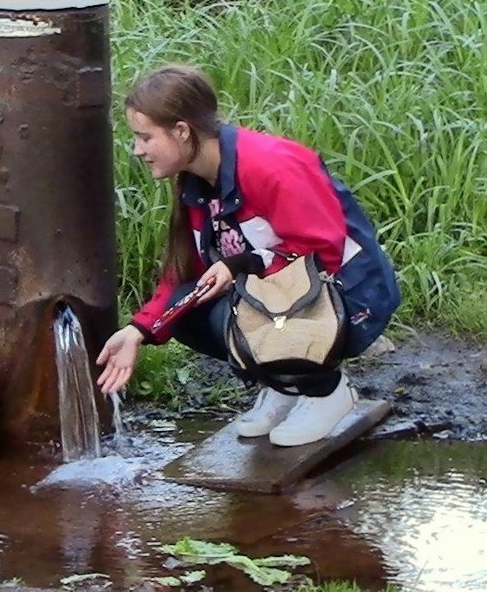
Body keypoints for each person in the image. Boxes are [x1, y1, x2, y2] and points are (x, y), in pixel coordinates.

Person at [96, 65, 382, 446]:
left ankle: (327, 392)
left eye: (145, 137)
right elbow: (186, 273)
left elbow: (322, 251)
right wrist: (138, 331)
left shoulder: (271, 165)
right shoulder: (195, 182)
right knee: (188, 312)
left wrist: (243, 264)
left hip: (354, 297)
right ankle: (284, 387)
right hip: (283, 293)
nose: (138, 150)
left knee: (224, 314)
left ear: (182, 131)